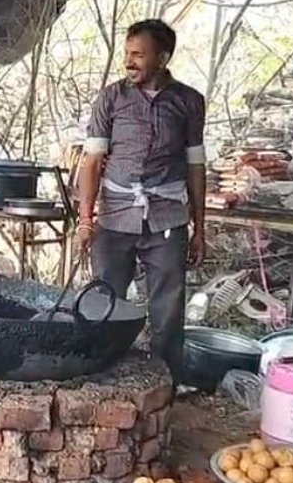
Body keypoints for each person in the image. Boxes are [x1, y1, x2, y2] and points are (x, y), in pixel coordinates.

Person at [75, 19, 206, 386]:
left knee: (168, 309)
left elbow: (196, 167)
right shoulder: (112, 98)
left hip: (167, 217)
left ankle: (164, 385)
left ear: (162, 59)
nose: (129, 62)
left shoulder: (188, 102)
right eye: (127, 54)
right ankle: (100, 379)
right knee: (105, 299)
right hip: (115, 216)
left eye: (138, 55)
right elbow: (92, 163)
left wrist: (200, 229)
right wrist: (85, 221)